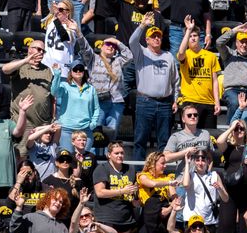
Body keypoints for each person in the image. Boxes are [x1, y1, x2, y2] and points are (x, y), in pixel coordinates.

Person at [130, 13, 180, 161]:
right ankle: (138, 173)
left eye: (159, 36)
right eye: (153, 37)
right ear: (147, 40)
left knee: (164, 142)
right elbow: (132, 41)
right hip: (145, 102)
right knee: (140, 140)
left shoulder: (169, 56)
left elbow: (175, 81)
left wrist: (175, 100)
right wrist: (142, 25)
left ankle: (161, 173)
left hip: (165, 103)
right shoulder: (141, 53)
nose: (157, 38)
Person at [2, 39, 54, 155]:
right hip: (24, 122)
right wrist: (26, 60)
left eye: (43, 51)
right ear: (30, 49)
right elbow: (5, 69)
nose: (41, 52)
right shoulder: (20, 66)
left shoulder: (47, 70)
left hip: (43, 122)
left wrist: (52, 117)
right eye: (38, 49)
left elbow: (51, 96)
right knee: (22, 155)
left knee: (41, 157)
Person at [93, 141, 138, 233]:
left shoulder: (130, 169)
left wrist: (135, 196)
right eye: (116, 153)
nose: (120, 155)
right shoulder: (102, 169)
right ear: (109, 155)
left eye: (122, 153)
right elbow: (100, 192)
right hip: (106, 217)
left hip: (125, 216)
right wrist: (122, 191)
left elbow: (133, 192)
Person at [215, 120, 247, 233]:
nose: (239, 131)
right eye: (237, 129)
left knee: (246, 222)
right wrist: (231, 128)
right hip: (230, 191)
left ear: (246, 131)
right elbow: (219, 141)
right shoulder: (229, 147)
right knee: (226, 222)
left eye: (241, 129)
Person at [177, 16, 221, 128]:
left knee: (209, 139)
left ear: (199, 37)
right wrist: (188, 30)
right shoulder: (186, 54)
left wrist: (217, 102)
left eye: (195, 35)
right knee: (189, 139)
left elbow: (215, 81)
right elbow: (180, 52)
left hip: (209, 102)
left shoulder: (211, 56)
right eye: (190, 36)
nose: (192, 38)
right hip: (190, 101)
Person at [216, 24, 247, 122]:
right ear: (236, 43)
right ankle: (231, 128)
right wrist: (234, 30)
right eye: (242, 42)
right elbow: (219, 43)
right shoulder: (229, 54)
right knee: (235, 102)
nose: (244, 45)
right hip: (232, 90)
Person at [88, 37, 132, 142]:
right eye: (108, 44)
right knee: (95, 133)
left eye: (113, 46)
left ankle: (110, 157)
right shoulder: (93, 58)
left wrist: (117, 42)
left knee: (112, 134)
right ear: (102, 46)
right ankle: (94, 157)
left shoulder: (118, 61)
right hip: (98, 103)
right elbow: (84, 47)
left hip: (116, 102)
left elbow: (129, 56)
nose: (111, 46)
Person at [51, 59, 100, 153]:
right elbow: (54, 92)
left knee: (83, 159)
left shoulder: (91, 89)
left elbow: (96, 108)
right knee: (68, 159)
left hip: (86, 129)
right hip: (67, 129)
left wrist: (93, 123)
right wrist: (57, 75)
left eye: (80, 69)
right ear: (71, 72)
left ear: (84, 72)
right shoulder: (65, 86)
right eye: (75, 69)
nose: (78, 71)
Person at [179, 149, 228, 233]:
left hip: (209, 219)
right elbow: (186, 184)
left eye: (203, 160)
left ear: (208, 161)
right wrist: (187, 163)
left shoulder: (214, 175)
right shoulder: (190, 175)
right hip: (192, 218)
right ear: (194, 161)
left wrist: (220, 189)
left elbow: (226, 198)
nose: (200, 163)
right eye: (197, 160)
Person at [137, 151, 176, 233]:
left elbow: (175, 198)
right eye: (162, 163)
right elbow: (152, 184)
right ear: (153, 164)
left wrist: (168, 209)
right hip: (148, 217)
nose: (165, 166)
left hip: (162, 218)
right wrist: (169, 183)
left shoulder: (166, 178)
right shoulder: (142, 176)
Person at [42, 0, 85, 78]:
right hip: (47, 64)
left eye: (60, 10)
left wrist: (56, 19)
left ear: (68, 12)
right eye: (57, 9)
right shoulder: (51, 21)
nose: (57, 12)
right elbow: (44, 11)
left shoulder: (71, 26)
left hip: (62, 68)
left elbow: (64, 36)